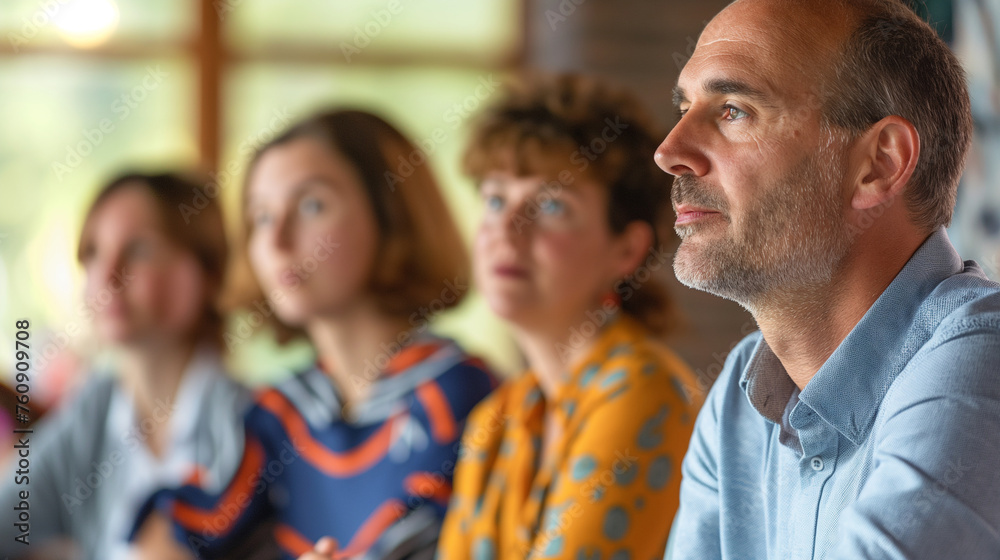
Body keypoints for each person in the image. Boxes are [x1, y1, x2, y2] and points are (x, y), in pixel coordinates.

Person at [657, 0, 1000, 558]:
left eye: (733, 110)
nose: (669, 151)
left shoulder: (986, 359)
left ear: (878, 165)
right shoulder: (737, 400)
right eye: (685, 106)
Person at [130, 109, 496, 560]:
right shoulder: (277, 412)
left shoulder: (460, 397)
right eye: (261, 217)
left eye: (311, 206)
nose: (277, 241)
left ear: (392, 215)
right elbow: (178, 528)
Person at [428, 74, 701, 560]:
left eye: (550, 204)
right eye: (495, 200)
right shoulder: (497, 417)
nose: (505, 231)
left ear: (627, 249)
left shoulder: (644, 391)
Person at [0, 172, 250, 560]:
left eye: (138, 250)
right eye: (93, 252)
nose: (106, 275)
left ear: (207, 272)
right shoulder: (94, 407)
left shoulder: (246, 419)